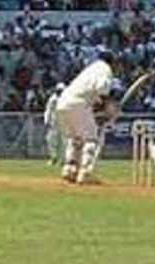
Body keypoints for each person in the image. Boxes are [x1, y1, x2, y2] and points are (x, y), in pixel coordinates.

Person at [55, 48, 115, 185]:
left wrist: (99, 108)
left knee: (75, 138)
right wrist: (107, 107)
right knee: (91, 139)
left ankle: (69, 170)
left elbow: (92, 96)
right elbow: (102, 89)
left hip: (63, 103)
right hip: (78, 103)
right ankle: (85, 172)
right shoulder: (105, 69)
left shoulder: (90, 69)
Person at [43, 82, 65, 166]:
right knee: (51, 140)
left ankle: (63, 160)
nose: (60, 92)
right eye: (59, 90)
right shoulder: (53, 99)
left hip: (64, 122)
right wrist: (46, 121)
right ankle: (53, 158)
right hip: (54, 123)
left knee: (64, 142)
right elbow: (48, 110)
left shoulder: (67, 98)